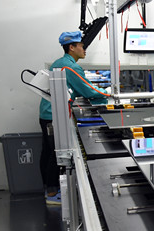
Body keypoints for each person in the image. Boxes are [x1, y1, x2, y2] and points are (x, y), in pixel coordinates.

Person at [39, 31, 111, 205]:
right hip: (54, 115)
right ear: (72, 47)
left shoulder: (60, 63)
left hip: (47, 113)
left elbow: (76, 88)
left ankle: (49, 189)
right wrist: (108, 93)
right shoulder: (70, 66)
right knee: (55, 153)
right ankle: (52, 193)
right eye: (82, 46)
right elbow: (86, 89)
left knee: (48, 152)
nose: (84, 49)